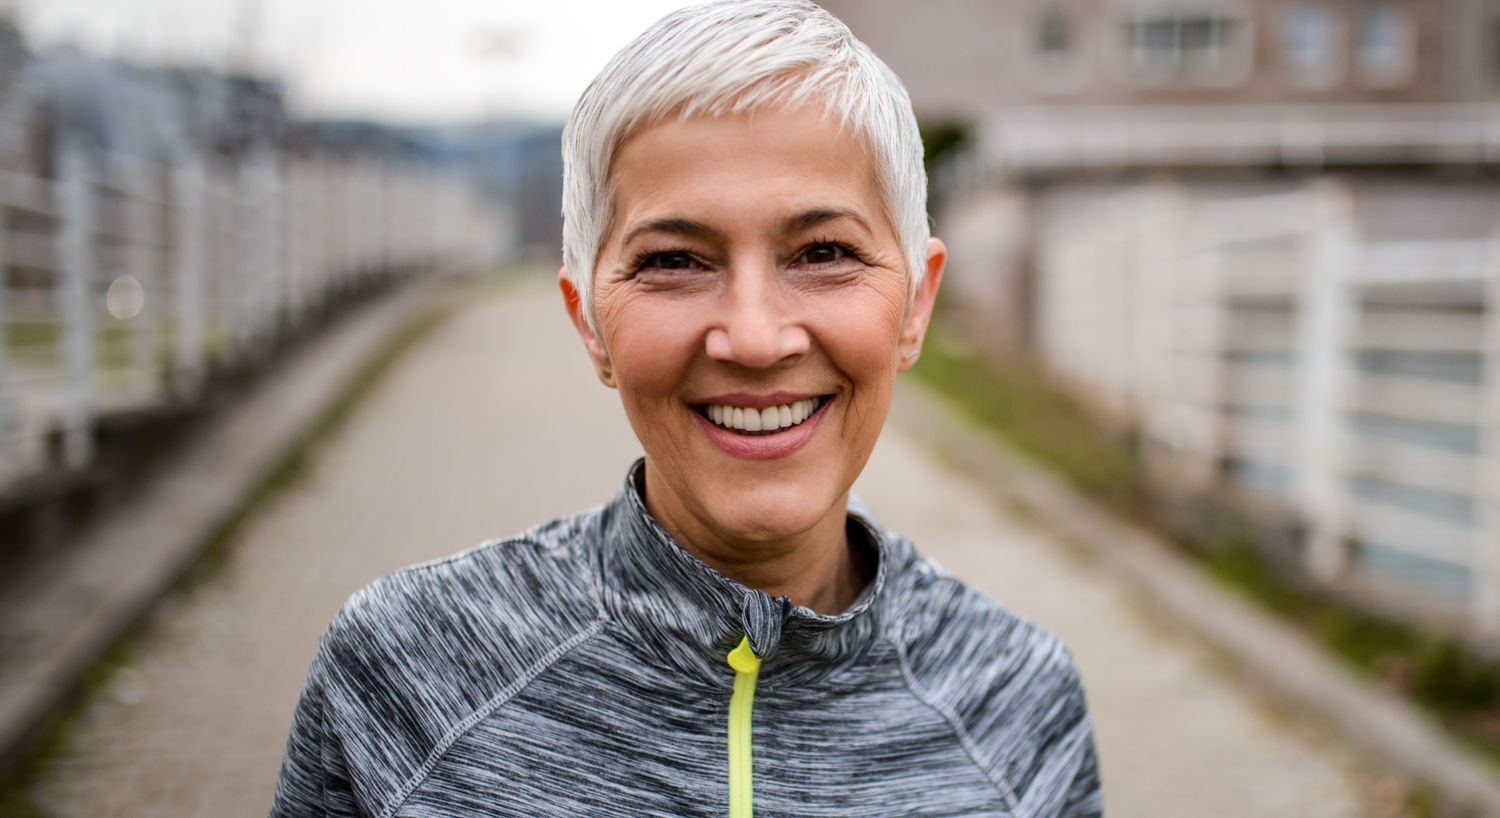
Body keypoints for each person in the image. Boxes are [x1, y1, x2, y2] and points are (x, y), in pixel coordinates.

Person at [268, 1, 1102, 815]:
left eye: (823, 252)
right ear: (589, 322)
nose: (753, 336)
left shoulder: (1019, 706)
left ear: (916, 305)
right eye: (674, 260)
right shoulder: (404, 676)